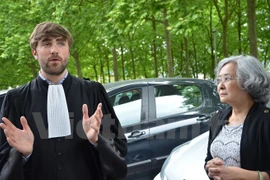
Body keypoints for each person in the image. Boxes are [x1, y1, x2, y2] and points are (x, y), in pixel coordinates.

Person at [0, 22, 127, 180]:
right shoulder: (16, 100)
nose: (54, 50)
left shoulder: (94, 92)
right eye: (46, 44)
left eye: (61, 43)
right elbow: (3, 161)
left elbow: (119, 148)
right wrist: (24, 154)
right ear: (34, 52)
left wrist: (96, 140)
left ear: (68, 50)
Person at [204, 55, 270, 180]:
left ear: (248, 81)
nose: (220, 86)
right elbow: (208, 159)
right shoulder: (217, 118)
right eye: (218, 80)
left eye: (227, 79)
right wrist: (210, 167)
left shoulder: (266, 120)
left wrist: (242, 175)